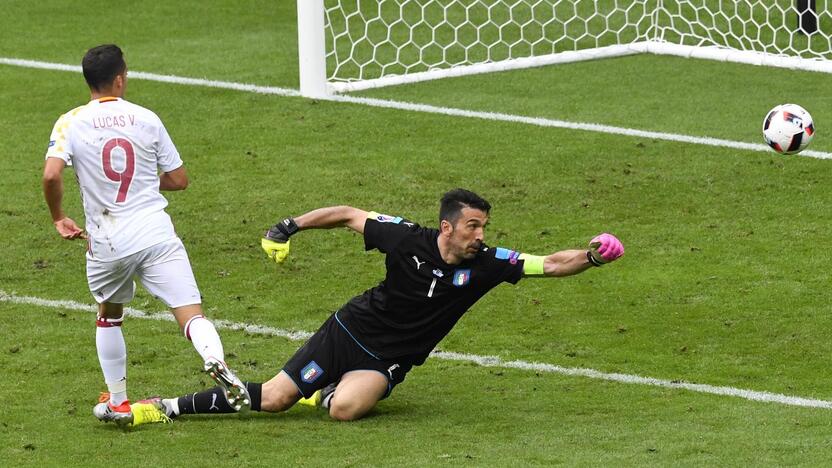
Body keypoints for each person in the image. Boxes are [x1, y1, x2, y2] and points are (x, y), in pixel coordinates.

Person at [134, 188, 623, 424]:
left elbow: (553, 265)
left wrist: (592, 256)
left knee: (343, 411)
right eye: (474, 226)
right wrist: (290, 225)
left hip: (390, 358)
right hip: (348, 330)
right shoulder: (406, 238)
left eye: (485, 226)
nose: (482, 235)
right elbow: (347, 214)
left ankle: (327, 391)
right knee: (274, 400)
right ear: (448, 227)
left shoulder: (491, 263)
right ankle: (166, 407)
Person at [42, 44, 250, 428]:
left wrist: (59, 217)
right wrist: (142, 182)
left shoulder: (69, 121)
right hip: (155, 234)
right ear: (120, 78)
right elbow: (179, 179)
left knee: (109, 315)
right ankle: (216, 360)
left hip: (106, 240)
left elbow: (52, 174)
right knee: (190, 314)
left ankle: (119, 402)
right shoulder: (146, 118)